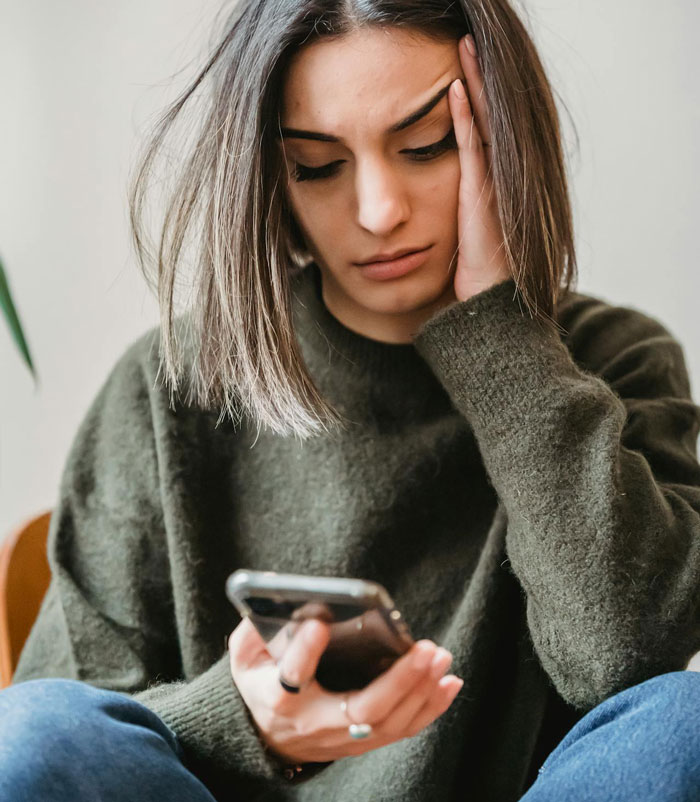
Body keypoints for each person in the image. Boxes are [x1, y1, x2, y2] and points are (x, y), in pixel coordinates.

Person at [3, 0, 700, 800]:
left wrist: (501, 343)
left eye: (426, 145)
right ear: (271, 173)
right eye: (319, 164)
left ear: (505, 137)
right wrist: (245, 720)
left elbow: (623, 659)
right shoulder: (171, 385)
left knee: (688, 721)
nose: (378, 212)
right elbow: (57, 738)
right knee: (34, 731)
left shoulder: (616, 359)